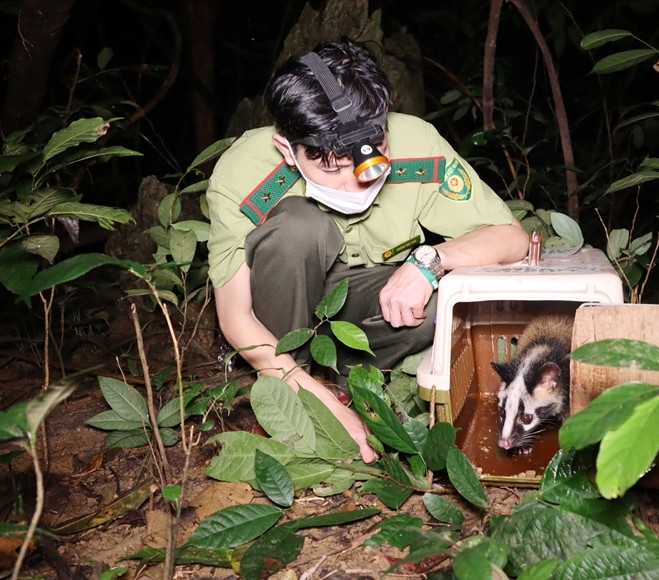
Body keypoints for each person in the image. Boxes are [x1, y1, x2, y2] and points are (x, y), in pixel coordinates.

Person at [206, 38, 529, 463]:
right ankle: (295, 395)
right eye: (329, 168)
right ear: (288, 149)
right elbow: (235, 317)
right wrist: (312, 400)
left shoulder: (417, 142)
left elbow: (512, 237)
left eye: (371, 158)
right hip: (282, 322)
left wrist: (429, 262)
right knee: (299, 228)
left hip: (364, 308)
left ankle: (353, 381)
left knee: (446, 300)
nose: (355, 182)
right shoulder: (243, 173)